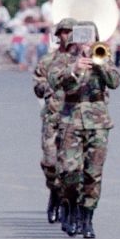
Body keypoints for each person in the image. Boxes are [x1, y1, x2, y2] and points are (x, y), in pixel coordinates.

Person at [50, 21, 120, 238]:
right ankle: (70, 206)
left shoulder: (102, 55)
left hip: (98, 123)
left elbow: (115, 81)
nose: (85, 40)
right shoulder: (64, 58)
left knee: (93, 174)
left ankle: (87, 218)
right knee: (70, 172)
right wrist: (75, 68)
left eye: (90, 36)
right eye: (82, 35)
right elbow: (54, 81)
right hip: (71, 121)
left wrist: (99, 63)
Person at [34, 19, 77, 222]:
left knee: (71, 166)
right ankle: (54, 193)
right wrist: (47, 86)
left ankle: (69, 204)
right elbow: (38, 85)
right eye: (64, 32)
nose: (67, 35)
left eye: (71, 32)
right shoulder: (48, 60)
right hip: (53, 117)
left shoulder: (84, 58)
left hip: (75, 120)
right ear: (58, 35)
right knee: (50, 163)